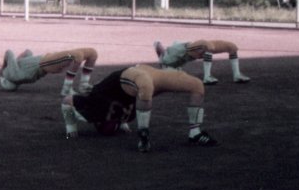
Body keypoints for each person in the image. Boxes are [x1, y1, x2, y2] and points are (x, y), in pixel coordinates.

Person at [60, 64, 216, 152]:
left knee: (145, 86)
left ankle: (144, 135)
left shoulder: (95, 106)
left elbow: (66, 101)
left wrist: (70, 127)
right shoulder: (127, 115)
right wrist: (123, 122)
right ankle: (193, 132)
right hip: (145, 77)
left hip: (129, 76)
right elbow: (120, 107)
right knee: (197, 85)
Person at [0, 47, 98, 96]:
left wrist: (18, 61)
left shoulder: (19, 71)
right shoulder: (14, 75)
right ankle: (67, 88)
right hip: (45, 63)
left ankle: (83, 85)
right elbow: (9, 53)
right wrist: (3, 68)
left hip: (47, 61)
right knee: (77, 56)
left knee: (92, 53)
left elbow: (27, 52)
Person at [153, 39, 249, 85]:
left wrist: (160, 60)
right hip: (187, 51)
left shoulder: (167, 59)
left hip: (185, 49)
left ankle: (236, 75)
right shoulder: (169, 62)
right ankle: (207, 77)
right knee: (210, 47)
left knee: (231, 47)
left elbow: (158, 45)